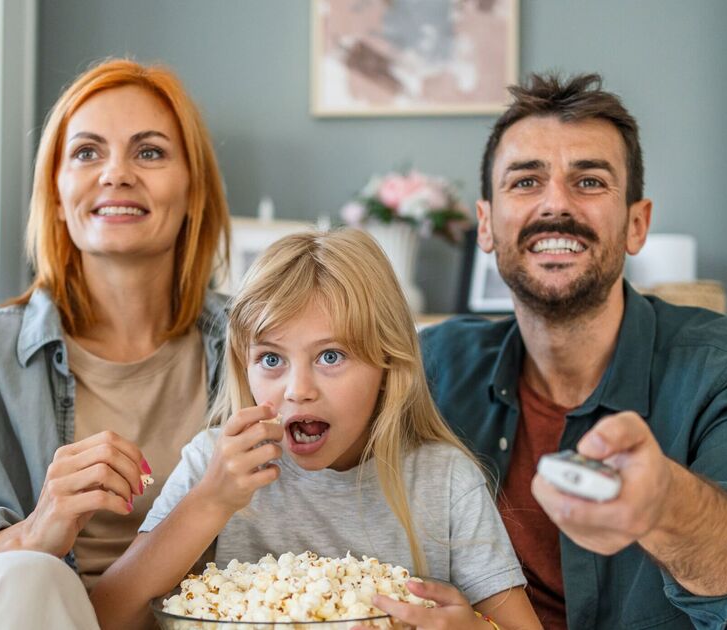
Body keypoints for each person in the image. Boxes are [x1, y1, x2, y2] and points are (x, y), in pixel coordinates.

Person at [420, 73, 727, 629]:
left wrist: (662, 505)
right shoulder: (433, 368)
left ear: (637, 224)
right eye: (525, 182)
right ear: (486, 224)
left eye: (589, 181)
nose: (555, 204)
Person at [0, 59, 231, 629]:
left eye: (149, 151)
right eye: (87, 152)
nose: (116, 173)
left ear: (193, 189)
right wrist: (33, 534)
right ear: (56, 193)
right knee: (35, 573)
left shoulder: (254, 352)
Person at [90, 229, 542, 630]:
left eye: (331, 356)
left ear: (388, 365)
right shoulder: (214, 464)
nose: (297, 390)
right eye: (271, 359)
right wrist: (210, 501)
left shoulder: (445, 482)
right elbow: (106, 617)